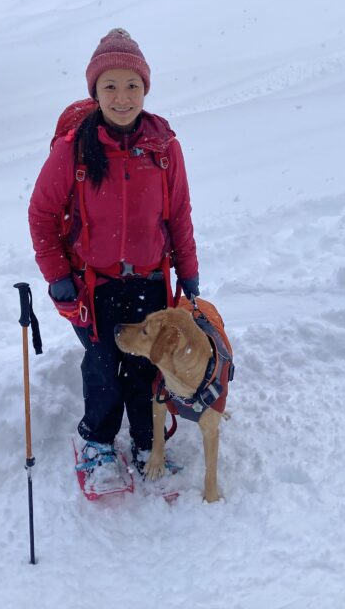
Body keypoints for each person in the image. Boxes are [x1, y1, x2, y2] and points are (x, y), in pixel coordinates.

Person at [28, 28, 200, 487]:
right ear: (95, 91)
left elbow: (178, 212)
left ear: (145, 88)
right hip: (93, 282)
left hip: (150, 279)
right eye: (111, 86)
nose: (122, 97)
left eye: (132, 86)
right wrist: (57, 275)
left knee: (149, 363)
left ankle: (149, 445)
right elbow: (42, 214)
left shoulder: (165, 148)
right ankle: (98, 443)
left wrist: (189, 269)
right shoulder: (74, 150)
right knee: (103, 364)